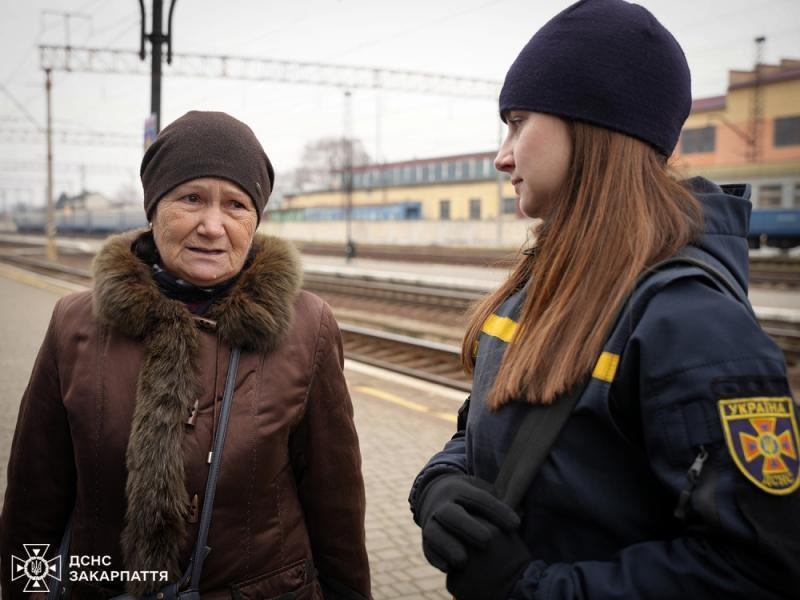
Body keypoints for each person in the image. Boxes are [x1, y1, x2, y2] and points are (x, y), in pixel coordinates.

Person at [409, 1, 800, 598]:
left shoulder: (693, 324)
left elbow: (757, 569)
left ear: (593, 127)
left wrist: (531, 588)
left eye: (518, 122)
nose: (502, 156)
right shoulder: (537, 287)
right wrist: (438, 487)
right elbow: (485, 427)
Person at [1, 111, 371, 599]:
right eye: (191, 198)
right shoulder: (75, 323)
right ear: (154, 208)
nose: (213, 226)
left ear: (256, 218)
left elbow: (335, 502)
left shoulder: (308, 326)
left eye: (236, 204)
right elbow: (35, 499)